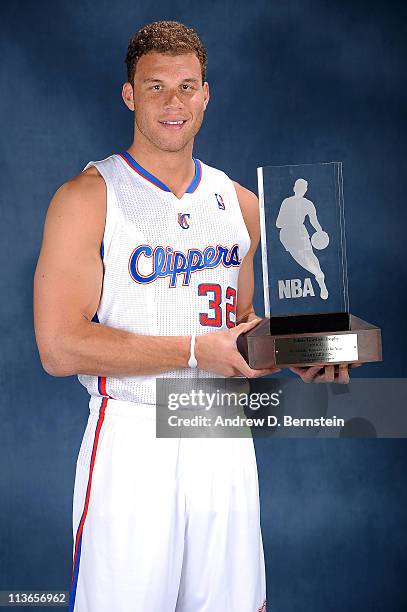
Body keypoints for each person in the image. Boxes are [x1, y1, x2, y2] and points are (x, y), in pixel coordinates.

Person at [33, 20, 352, 612]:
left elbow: (243, 328)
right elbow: (59, 346)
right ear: (129, 95)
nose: (172, 103)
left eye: (187, 86)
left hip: (221, 432)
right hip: (132, 439)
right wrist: (193, 351)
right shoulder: (88, 196)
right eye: (155, 87)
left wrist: (297, 356)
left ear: (207, 92)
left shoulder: (241, 204)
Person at [276, 178, 329, 299]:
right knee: (307, 257)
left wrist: (320, 232)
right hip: (293, 234)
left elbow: (278, 223)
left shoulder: (289, 202)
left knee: (305, 257)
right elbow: (314, 222)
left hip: (295, 233)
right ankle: (319, 276)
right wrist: (320, 231)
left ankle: (318, 275)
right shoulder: (304, 203)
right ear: (303, 190)